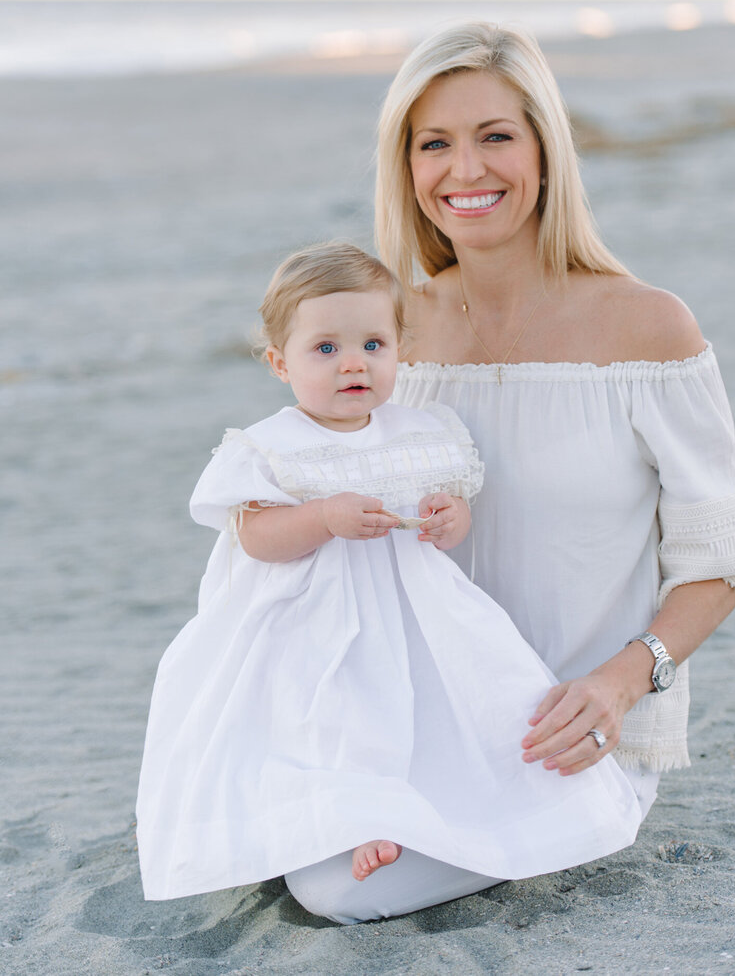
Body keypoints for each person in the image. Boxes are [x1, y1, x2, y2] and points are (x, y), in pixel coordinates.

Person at [360, 21, 735, 906]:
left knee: (345, 894)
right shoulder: (391, 332)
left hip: (568, 737)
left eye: (496, 136)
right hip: (417, 724)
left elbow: (720, 563)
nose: (466, 171)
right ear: (407, 166)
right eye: (435, 144)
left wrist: (623, 681)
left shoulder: (649, 328)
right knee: (268, 848)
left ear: (546, 151)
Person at [135, 242, 643, 923]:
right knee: (336, 716)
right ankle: (360, 821)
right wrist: (322, 515)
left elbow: (451, 510)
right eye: (325, 348)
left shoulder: (419, 430)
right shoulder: (270, 445)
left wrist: (447, 516)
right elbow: (254, 534)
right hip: (312, 617)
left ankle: (483, 805)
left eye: (373, 343)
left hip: (414, 612)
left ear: (400, 349)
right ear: (280, 362)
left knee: (457, 700)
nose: (353, 362)